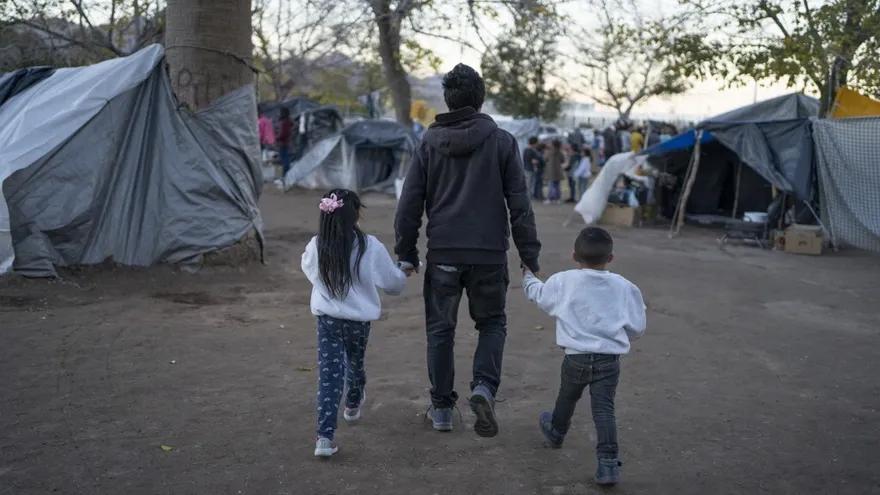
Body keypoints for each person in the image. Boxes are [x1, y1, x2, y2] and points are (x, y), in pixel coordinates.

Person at [394, 63, 541, 438]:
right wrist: (529, 253)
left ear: (448, 100)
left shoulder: (428, 144)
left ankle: (442, 409)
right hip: (489, 255)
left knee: (440, 331)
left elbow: (409, 204)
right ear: (481, 99)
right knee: (491, 324)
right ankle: (484, 389)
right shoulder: (503, 142)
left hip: (443, 253)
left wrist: (406, 252)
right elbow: (520, 204)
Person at [522, 227, 646, 486]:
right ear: (610, 258)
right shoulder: (624, 287)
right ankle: (608, 463)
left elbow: (539, 295)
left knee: (567, 397)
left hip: (575, 358)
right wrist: (619, 338)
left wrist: (528, 277)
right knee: (604, 409)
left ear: (574, 256)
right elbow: (637, 327)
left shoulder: (563, 281)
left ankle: (556, 431)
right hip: (609, 360)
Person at [301, 189, 410, 457]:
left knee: (329, 376)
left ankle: (324, 438)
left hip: (328, 320)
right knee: (355, 365)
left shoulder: (316, 245)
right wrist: (402, 271)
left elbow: (309, 269)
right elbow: (393, 284)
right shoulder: (369, 245)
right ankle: (352, 404)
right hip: (358, 323)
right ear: (356, 213)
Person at [543, 139, 565, 204]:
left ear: (552, 145)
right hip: (558, 172)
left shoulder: (549, 152)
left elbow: (545, 159)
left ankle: (549, 199)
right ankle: (558, 199)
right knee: (558, 186)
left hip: (551, 172)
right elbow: (563, 160)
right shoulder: (560, 152)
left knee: (550, 186)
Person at [276, 107, 294, 178]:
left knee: (284, 160)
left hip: (282, 143)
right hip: (286, 142)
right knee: (286, 159)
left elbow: (281, 134)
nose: (278, 114)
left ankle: (284, 175)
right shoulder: (288, 122)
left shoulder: (283, 122)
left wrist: (276, 137)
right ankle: (287, 174)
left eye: (280, 112)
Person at [522, 136, 541, 201]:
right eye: (537, 142)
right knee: (529, 185)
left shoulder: (525, 149)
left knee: (527, 184)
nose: (538, 144)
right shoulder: (531, 150)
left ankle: (527, 198)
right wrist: (538, 161)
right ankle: (528, 198)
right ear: (534, 143)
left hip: (525, 168)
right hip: (530, 169)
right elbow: (533, 161)